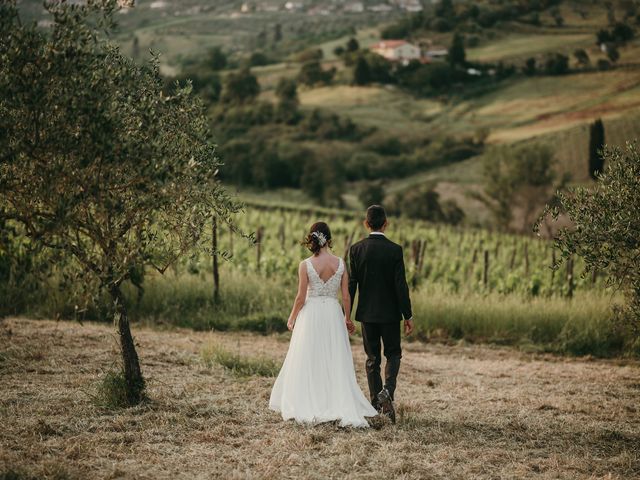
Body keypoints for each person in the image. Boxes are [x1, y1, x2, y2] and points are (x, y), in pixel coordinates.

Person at [269, 222, 377, 427]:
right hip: (333, 314)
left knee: (309, 357)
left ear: (312, 239)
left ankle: (311, 399)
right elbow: (346, 296)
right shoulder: (341, 264)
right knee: (333, 357)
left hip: (312, 314)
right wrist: (347, 318)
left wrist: (292, 317)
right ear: (329, 239)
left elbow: (301, 297)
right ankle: (333, 399)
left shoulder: (306, 265)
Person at [348, 205, 413, 423]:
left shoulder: (356, 249)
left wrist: (346, 314)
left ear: (366, 224)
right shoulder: (395, 250)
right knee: (393, 354)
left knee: (372, 359)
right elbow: (400, 286)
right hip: (391, 315)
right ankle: (388, 391)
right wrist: (408, 315)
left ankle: (377, 403)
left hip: (367, 314)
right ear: (386, 223)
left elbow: (351, 285)